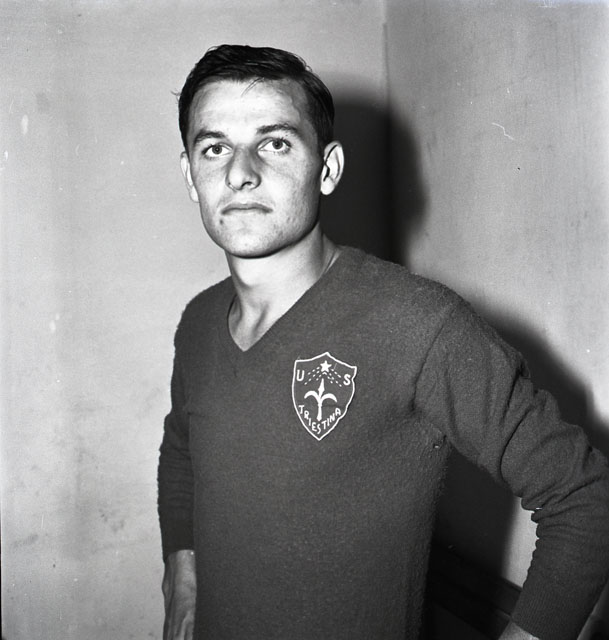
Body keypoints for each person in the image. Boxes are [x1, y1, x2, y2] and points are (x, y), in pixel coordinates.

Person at [157, 44, 609, 640]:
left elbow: (585, 498)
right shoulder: (197, 322)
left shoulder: (419, 323)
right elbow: (182, 449)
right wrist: (183, 570)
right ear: (191, 175)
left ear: (327, 168)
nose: (240, 172)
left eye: (275, 143)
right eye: (214, 147)